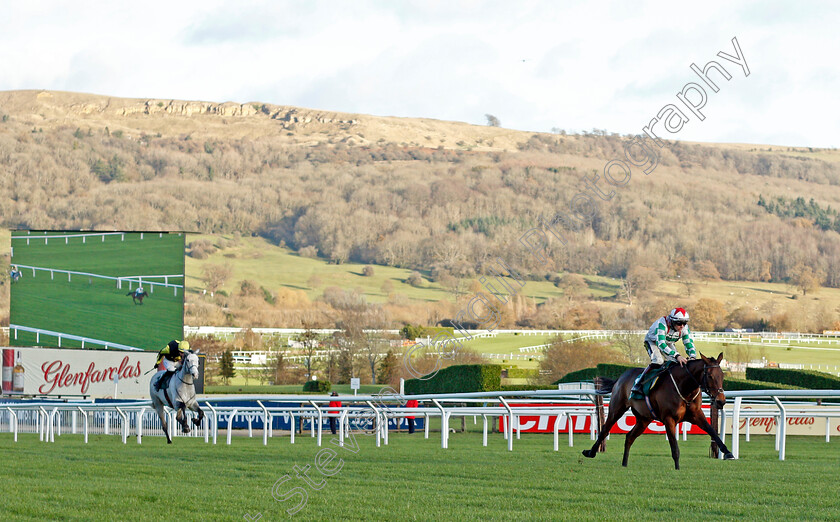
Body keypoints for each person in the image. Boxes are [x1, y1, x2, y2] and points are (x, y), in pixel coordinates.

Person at [631, 308, 697, 394]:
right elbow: (661, 344)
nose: (682, 326)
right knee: (658, 361)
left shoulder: (684, 328)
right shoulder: (662, 324)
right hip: (653, 341)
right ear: (672, 321)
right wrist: (677, 355)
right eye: (679, 323)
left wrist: (692, 356)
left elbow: (689, 344)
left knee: (676, 363)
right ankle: (638, 383)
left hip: (668, 342)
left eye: (684, 323)